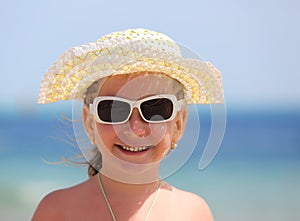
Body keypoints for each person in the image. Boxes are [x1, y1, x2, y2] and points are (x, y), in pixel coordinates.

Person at [32, 28, 224, 221]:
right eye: (114, 110)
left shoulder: (192, 212)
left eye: (155, 109)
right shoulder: (57, 211)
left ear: (178, 124)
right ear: (90, 123)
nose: (135, 128)